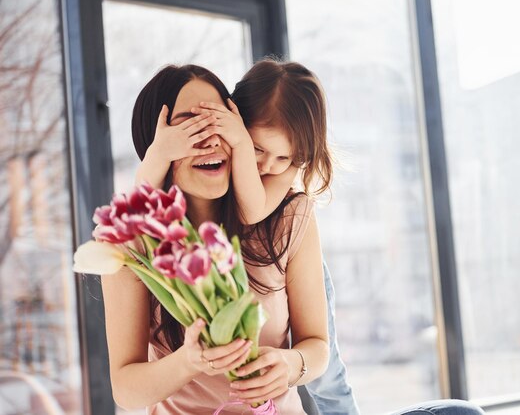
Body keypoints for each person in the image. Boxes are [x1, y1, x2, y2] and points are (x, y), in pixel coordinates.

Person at [134, 58, 361, 414]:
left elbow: (251, 211)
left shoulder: (286, 196)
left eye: (215, 124)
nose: (267, 166)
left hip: (280, 254)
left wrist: (291, 364)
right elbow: (142, 203)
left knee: (329, 379)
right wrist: (160, 153)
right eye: (190, 129)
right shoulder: (142, 238)